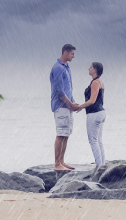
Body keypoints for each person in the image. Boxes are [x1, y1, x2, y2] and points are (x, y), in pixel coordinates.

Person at [50, 44, 80, 172]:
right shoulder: (58, 68)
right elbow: (59, 91)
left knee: (66, 134)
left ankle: (62, 161)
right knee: (61, 133)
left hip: (66, 106)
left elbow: (68, 89)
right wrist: (70, 105)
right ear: (65, 53)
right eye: (72, 54)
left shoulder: (66, 67)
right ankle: (57, 164)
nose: (73, 56)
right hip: (61, 106)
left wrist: (73, 102)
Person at [75, 62, 106, 167]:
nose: (89, 69)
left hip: (94, 114)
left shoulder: (95, 83)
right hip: (101, 112)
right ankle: (102, 165)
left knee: (93, 141)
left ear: (95, 70)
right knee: (99, 141)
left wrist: (81, 106)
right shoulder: (100, 81)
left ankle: (99, 166)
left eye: (91, 67)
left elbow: (92, 100)